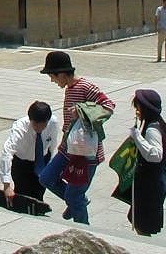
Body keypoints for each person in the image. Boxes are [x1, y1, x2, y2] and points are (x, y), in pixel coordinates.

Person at [38, 50, 115, 224]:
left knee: (75, 195)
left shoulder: (86, 86)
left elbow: (108, 106)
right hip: (68, 148)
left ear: (62, 74)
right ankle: (76, 201)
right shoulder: (70, 88)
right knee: (46, 178)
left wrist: (82, 111)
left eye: (53, 76)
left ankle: (83, 228)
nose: (52, 80)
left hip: (86, 153)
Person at [128, 89, 166, 236]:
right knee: (142, 220)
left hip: (149, 184)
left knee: (142, 224)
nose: (136, 111)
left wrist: (137, 136)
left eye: (138, 107)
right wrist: (161, 165)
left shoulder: (151, 129)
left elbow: (155, 155)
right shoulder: (163, 125)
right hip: (159, 179)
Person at [0, 101, 60, 204]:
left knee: (38, 196)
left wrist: (50, 166)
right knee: (23, 196)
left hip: (41, 161)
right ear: (30, 119)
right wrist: (6, 185)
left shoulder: (53, 123)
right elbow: (7, 152)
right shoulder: (20, 127)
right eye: (35, 125)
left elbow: (53, 145)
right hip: (22, 164)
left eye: (43, 125)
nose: (39, 129)